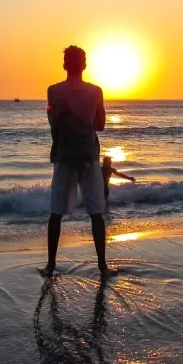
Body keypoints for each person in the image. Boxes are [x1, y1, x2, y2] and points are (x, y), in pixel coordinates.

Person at [44, 45, 115, 277]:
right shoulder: (96, 91)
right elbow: (100, 126)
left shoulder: (53, 91)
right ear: (84, 65)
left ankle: (51, 266)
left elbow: (52, 122)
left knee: (56, 213)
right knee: (96, 212)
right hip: (88, 156)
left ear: (64, 65)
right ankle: (103, 267)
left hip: (64, 156)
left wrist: (61, 113)